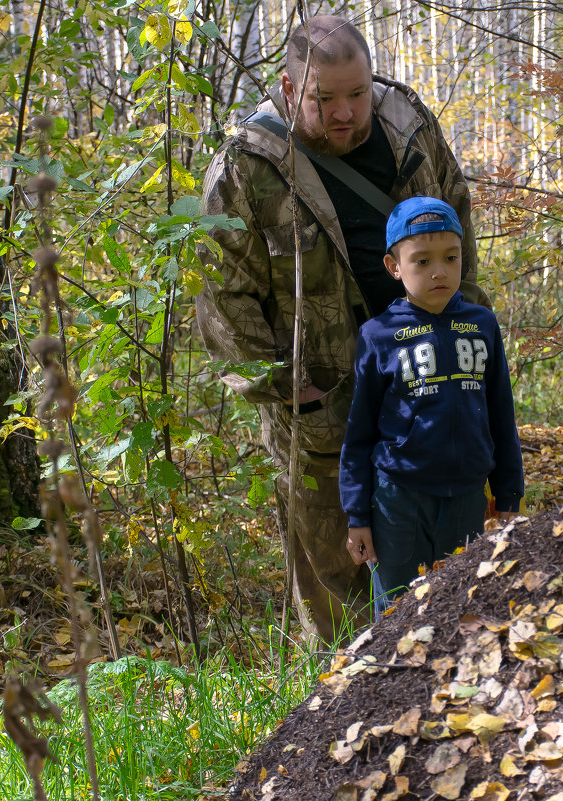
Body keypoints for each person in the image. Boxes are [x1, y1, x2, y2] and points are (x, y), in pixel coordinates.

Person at [194, 15, 488, 643]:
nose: (344, 113)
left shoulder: (408, 126)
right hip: (323, 406)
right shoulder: (250, 163)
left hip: (429, 385)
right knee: (336, 576)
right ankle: (340, 709)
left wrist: (472, 331)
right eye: (323, 99)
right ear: (287, 84)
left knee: (450, 553)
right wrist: (282, 384)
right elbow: (220, 293)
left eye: (356, 93)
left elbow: (457, 220)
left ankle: (447, 686)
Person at [339, 197, 523, 607]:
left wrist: (508, 496)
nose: (439, 271)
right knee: (399, 610)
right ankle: (393, 673)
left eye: (451, 257)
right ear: (394, 267)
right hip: (397, 501)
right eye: (421, 261)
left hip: (465, 497)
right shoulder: (379, 335)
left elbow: (501, 413)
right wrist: (358, 516)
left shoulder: (482, 325)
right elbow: (360, 432)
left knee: (460, 604)